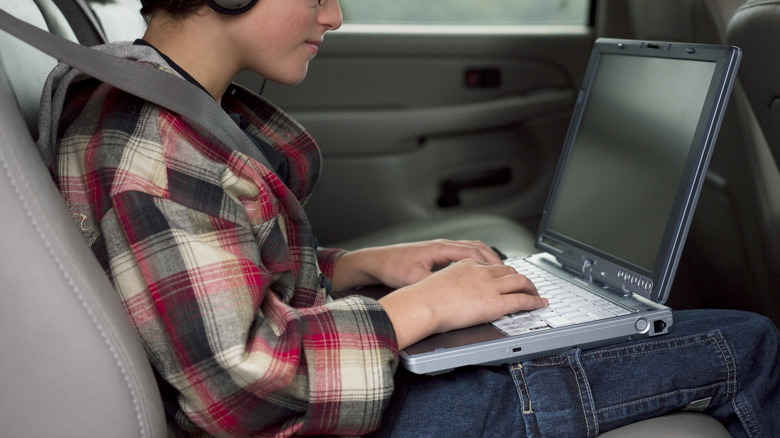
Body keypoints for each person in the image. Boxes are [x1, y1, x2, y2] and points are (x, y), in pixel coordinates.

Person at [35, 0, 779, 436]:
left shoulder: (160, 110)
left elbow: (219, 282)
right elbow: (235, 379)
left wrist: (357, 269)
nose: (335, 13)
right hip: (321, 419)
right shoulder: (154, 150)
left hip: (325, 391)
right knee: (747, 343)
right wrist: (406, 317)